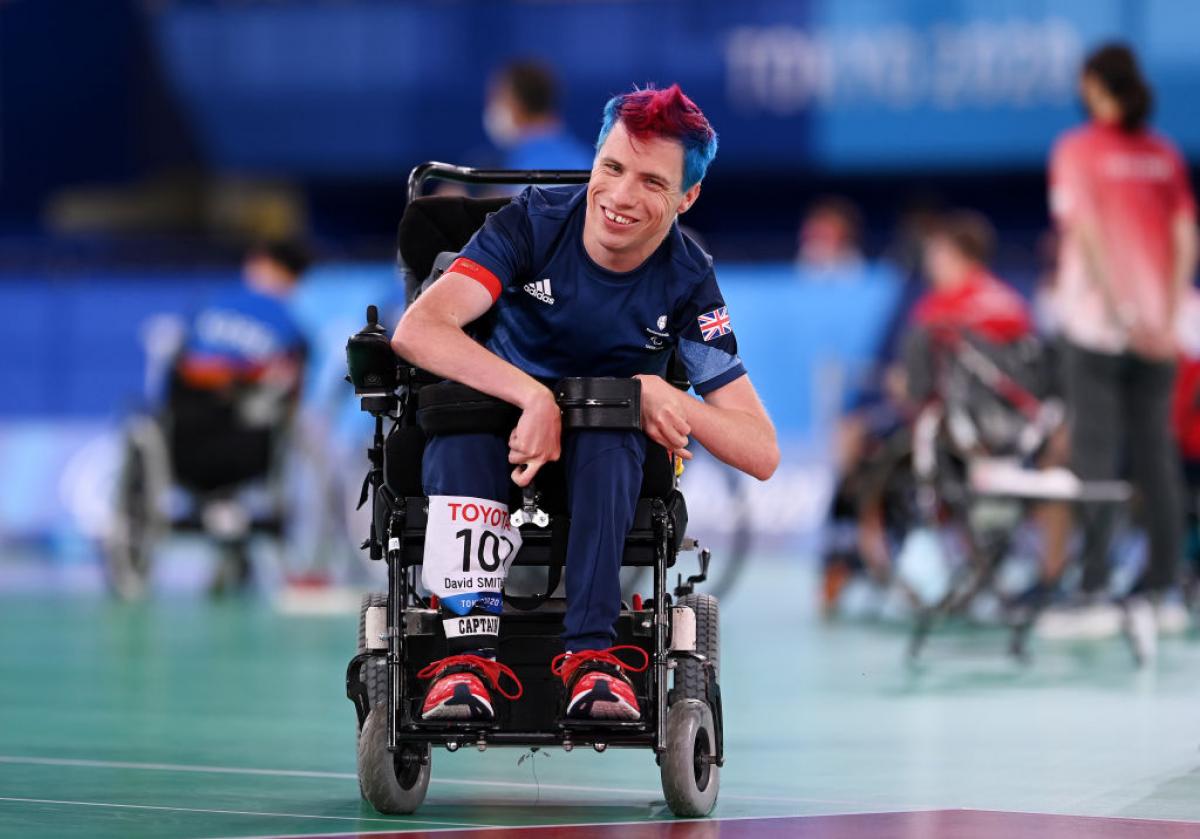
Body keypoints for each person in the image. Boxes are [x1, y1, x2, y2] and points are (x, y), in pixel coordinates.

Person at [392, 84, 779, 722]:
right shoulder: (530, 223)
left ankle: (593, 660)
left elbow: (760, 451)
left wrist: (656, 392)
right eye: (612, 167)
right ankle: (464, 659)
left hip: (605, 465)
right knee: (460, 423)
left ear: (687, 198)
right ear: (595, 159)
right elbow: (419, 330)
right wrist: (531, 395)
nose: (621, 197)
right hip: (495, 447)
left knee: (615, 425)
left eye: (653, 183)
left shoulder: (688, 281)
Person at [1043, 43, 1198, 639]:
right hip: (1160, 334)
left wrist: (1124, 314)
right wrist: (1164, 312)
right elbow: (1186, 240)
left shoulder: (1076, 151)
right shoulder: (1164, 155)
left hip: (1100, 331)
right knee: (1157, 460)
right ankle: (1166, 590)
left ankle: (1094, 590)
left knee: (1098, 463)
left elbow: (1086, 238)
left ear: (1091, 85)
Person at [169, 241, 310, 586]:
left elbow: (180, 366)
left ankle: (225, 517)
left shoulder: (213, 304)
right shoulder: (288, 319)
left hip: (201, 429)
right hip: (239, 434)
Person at [484, 60, 595, 171]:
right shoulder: (584, 158)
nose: (492, 108)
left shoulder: (523, 169)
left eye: (497, 99)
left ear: (517, 104)